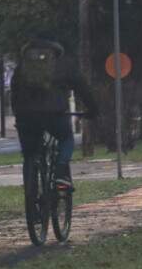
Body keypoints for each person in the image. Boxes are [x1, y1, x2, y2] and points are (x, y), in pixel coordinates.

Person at [11, 36, 98, 191]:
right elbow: (83, 89)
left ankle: (30, 188)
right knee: (66, 139)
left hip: (26, 117)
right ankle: (61, 172)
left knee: (29, 155)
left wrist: (18, 116)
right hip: (55, 115)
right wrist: (92, 110)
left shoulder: (21, 68)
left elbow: (14, 95)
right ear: (56, 51)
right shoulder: (64, 65)